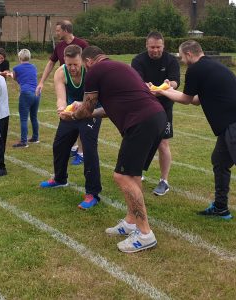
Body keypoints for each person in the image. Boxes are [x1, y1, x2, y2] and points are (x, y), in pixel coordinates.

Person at [155, 40, 236, 245]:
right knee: (220, 161)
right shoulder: (210, 65)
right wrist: (162, 90)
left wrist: (160, 90)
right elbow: (198, 99)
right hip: (234, 123)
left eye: (181, 56)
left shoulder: (196, 69)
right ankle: (221, 207)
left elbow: (187, 99)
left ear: (189, 54)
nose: (181, 60)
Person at [60, 46, 166, 253]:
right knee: (132, 174)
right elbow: (107, 109)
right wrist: (83, 111)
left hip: (141, 122)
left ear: (88, 61)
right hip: (156, 117)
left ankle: (145, 234)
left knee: (122, 176)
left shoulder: (95, 71)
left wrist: (72, 114)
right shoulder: (120, 67)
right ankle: (131, 222)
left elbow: (88, 108)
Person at [39, 45, 102, 210]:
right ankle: (60, 179)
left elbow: (91, 101)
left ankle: (92, 193)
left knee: (89, 148)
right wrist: (61, 109)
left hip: (91, 110)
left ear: (81, 60)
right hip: (71, 109)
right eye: (69, 65)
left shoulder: (90, 72)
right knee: (59, 144)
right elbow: (61, 97)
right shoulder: (60, 72)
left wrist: (79, 108)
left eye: (75, 64)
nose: (72, 68)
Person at [131, 31, 180, 196]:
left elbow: (175, 81)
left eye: (158, 47)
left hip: (165, 106)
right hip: (144, 105)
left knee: (163, 144)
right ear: (146, 45)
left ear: (163, 46)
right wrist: (145, 85)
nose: (155, 50)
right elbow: (136, 81)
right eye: (152, 47)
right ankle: (138, 173)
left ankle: (164, 181)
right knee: (141, 140)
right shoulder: (138, 60)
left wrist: (168, 84)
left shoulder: (171, 60)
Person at [35, 20, 89, 165]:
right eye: (68, 63)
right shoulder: (59, 48)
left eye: (58, 30)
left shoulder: (82, 45)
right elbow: (51, 63)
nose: (56, 33)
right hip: (67, 85)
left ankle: (81, 153)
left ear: (65, 30)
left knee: (83, 119)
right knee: (67, 117)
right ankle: (72, 146)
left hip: (85, 88)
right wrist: (42, 82)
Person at [11, 49, 40, 147]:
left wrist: (11, 75)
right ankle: (35, 137)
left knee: (23, 119)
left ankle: (23, 141)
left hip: (26, 93)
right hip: (37, 92)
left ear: (19, 58)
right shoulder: (34, 67)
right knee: (34, 117)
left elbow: (15, 78)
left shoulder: (16, 68)